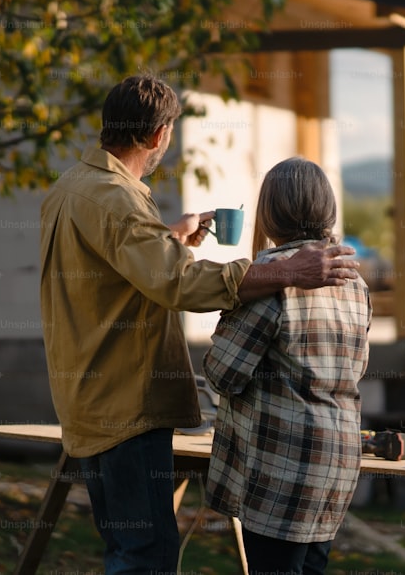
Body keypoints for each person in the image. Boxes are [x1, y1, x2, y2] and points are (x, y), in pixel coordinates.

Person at [38, 74, 359, 575]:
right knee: (146, 557)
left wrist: (168, 238)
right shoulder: (117, 200)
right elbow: (180, 286)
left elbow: (107, 271)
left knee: (129, 549)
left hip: (88, 396)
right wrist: (286, 273)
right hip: (125, 404)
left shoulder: (72, 187)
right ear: (158, 136)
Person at [202, 157, 372, 575]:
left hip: (282, 466)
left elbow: (222, 373)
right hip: (336, 462)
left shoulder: (274, 279)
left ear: (269, 213)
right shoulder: (354, 281)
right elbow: (356, 369)